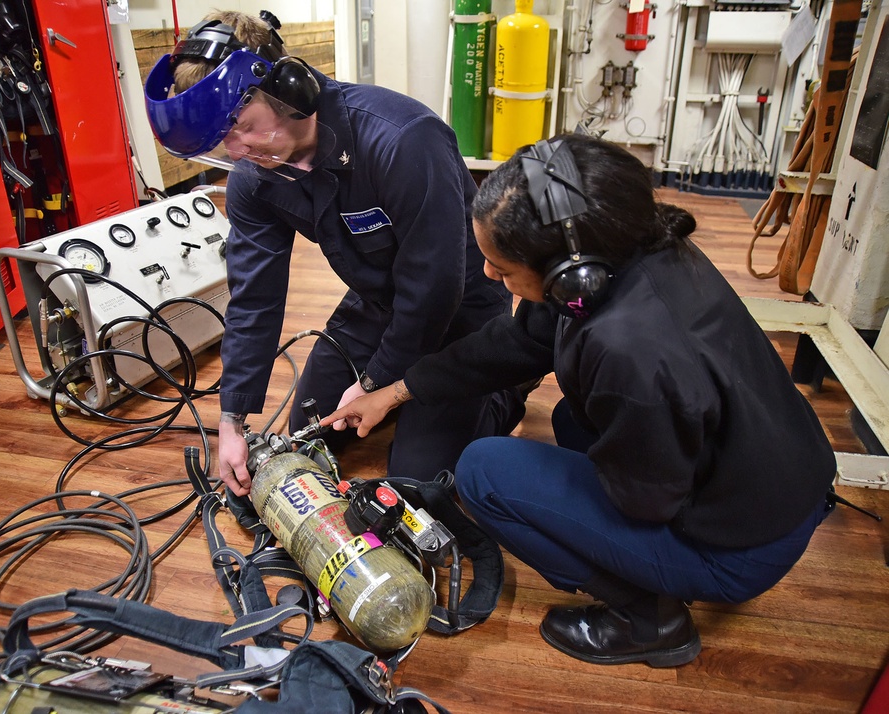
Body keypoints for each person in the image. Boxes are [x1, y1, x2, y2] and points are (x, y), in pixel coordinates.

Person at [321, 133, 837, 667]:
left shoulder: (629, 350)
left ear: (568, 271)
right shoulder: (627, 250)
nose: (490, 277)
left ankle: (650, 619)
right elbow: (520, 342)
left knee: (484, 473)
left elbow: (647, 501)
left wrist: (593, 473)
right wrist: (395, 391)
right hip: (778, 479)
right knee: (572, 417)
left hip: (740, 548)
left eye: (501, 267)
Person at [144, 10, 525, 497]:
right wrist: (233, 418)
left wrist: (378, 383)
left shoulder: (403, 139)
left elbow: (434, 289)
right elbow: (253, 297)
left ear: (288, 87)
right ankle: (405, 396)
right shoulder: (255, 178)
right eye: (223, 141)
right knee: (309, 439)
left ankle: (507, 385)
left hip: (460, 306)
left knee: (418, 477)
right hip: (377, 305)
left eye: (241, 126)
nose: (238, 151)